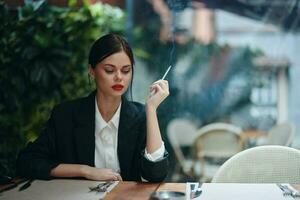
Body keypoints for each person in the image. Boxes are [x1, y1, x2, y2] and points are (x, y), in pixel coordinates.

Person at [17, 33, 170, 182]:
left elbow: (156, 175)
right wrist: (85, 170)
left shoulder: (141, 116)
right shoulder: (66, 115)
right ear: (92, 71)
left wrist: (151, 109)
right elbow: (27, 162)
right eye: (109, 70)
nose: (119, 77)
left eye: (126, 70)